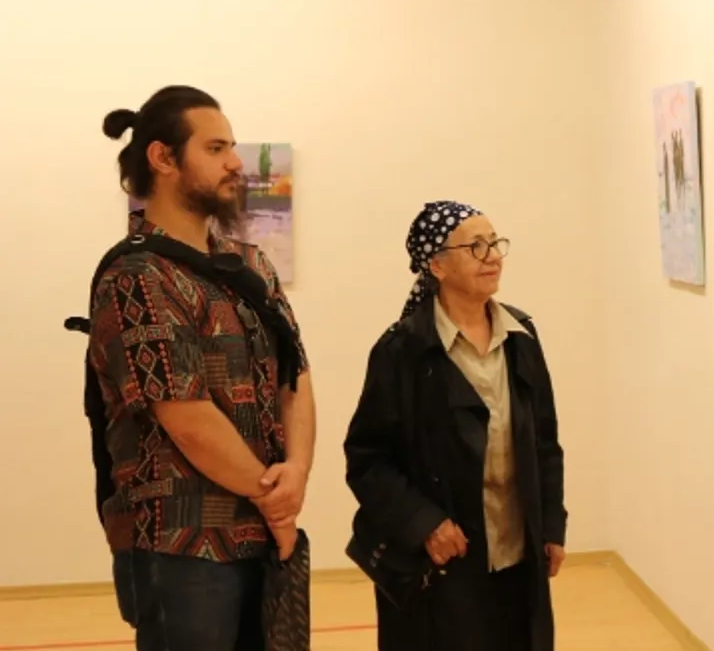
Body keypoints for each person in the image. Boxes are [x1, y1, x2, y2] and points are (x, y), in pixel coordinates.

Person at [87, 85, 316, 650]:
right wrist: (276, 501)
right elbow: (187, 417)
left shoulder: (251, 265)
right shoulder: (137, 278)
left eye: (232, 147)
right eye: (216, 148)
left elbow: (296, 379)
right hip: (181, 548)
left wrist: (296, 474)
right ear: (162, 158)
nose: (236, 162)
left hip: (262, 536)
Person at [344, 200, 567, 651]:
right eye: (475, 246)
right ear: (437, 266)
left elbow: (544, 442)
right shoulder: (401, 350)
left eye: (495, 243)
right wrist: (425, 524)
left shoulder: (522, 337)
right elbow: (368, 461)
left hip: (518, 558)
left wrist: (551, 527)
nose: (493, 256)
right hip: (442, 566)